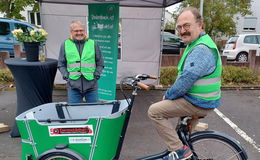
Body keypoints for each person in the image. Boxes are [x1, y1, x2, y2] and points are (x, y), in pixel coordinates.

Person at [148, 7, 222, 160]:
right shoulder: (197, 43)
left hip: (197, 102)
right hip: (201, 99)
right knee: (180, 135)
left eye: (187, 26)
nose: (182, 31)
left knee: (154, 111)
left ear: (200, 25)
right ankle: (182, 148)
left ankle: (180, 152)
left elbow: (185, 81)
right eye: (180, 27)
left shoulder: (201, 49)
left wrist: (167, 96)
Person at [58, 20, 104, 103]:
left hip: (91, 86)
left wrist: (96, 76)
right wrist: (66, 77)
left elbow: (100, 63)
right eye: (76, 31)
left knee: (94, 111)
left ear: (84, 30)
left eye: (81, 30)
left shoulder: (93, 44)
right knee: (74, 112)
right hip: (73, 86)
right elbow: (61, 64)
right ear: (71, 32)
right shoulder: (65, 44)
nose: (79, 33)